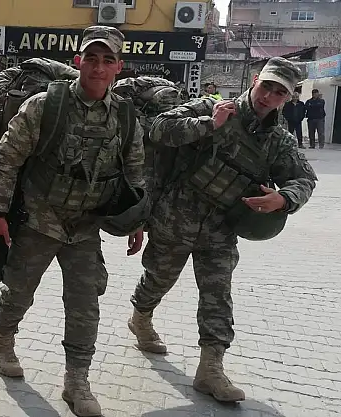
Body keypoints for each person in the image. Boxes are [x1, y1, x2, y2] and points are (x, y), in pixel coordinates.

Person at [128, 57, 317, 402]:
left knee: (217, 294)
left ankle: (211, 368)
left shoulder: (278, 140)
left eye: (279, 93)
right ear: (255, 80)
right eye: (266, 87)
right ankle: (141, 316)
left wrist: (284, 198)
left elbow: (304, 179)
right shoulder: (211, 107)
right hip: (176, 215)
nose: (268, 97)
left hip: (221, 228)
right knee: (158, 279)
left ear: (288, 98)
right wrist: (207, 124)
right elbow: (158, 129)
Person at [0, 26, 145, 417]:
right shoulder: (46, 105)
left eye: (107, 60)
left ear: (118, 67)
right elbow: (7, 157)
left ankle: (77, 381)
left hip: (86, 226)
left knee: (85, 305)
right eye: (91, 58)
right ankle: (2, 342)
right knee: (19, 290)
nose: (98, 67)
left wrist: (136, 220)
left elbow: (135, 172)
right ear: (78, 61)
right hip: (39, 219)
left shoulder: (125, 116)